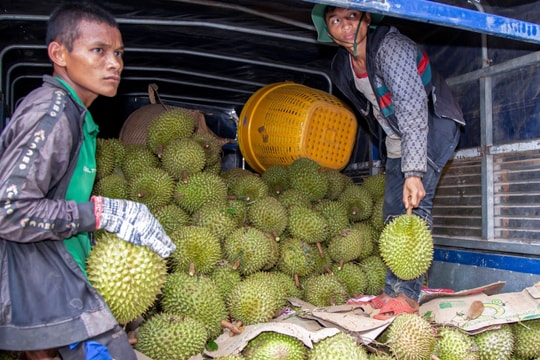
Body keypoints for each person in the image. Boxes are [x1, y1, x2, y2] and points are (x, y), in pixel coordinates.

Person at [0, 2, 175, 359]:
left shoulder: (74, 117)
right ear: (59, 53)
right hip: (43, 284)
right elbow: (9, 209)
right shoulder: (51, 114)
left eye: (118, 53)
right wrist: (102, 212)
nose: (114, 63)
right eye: (99, 51)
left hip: (55, 280)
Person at [311, 5, 465, 320]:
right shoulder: (343, 66)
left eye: (352, 17)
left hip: (432, 123)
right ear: (327, 28)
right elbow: (377, 114)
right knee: (392, 209)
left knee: (415, 206)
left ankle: (407, 297)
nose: (345, 27)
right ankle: (392, 289)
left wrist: (413, 172)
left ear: (367, 18)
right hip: (398, 134)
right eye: (336, 20)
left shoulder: (391, 48)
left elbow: (412, 109)